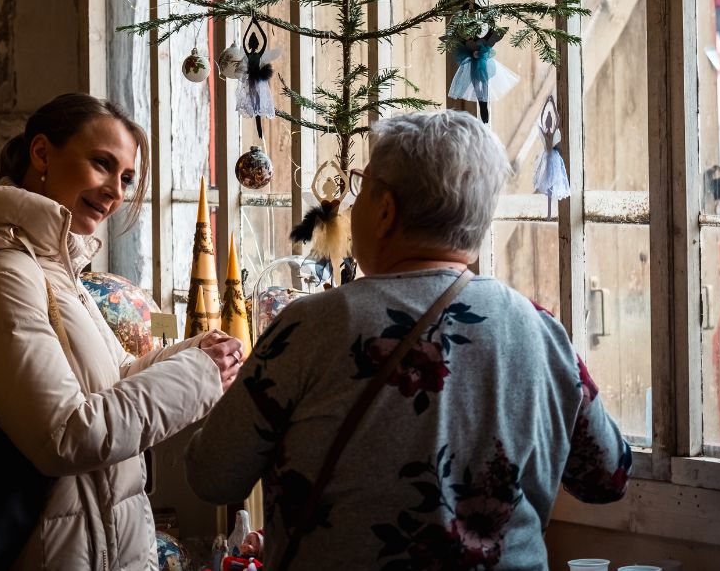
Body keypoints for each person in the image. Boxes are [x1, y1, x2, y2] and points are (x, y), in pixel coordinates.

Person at [184, 110, 631, 570]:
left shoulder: (312, 327)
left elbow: (211, 474)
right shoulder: (540, 331)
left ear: (386, 210)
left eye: (361, 186)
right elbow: (608, 478)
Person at [0, 93, 245, 570]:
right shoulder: (1, 273)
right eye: (102, 164)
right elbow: (65, 434)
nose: (116, 192)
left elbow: (111, 377)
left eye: (125, 179)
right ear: (41, 153)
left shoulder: (55, 268)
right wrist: (198, 377)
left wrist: (192, 353)